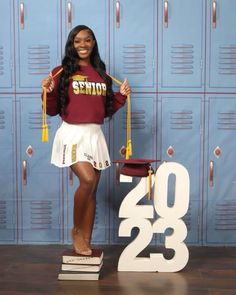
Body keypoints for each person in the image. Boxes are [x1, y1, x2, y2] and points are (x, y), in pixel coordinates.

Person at [41, 25, 131, 256]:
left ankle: (86, 238)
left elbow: (104, 109)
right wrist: (48, 91)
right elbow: (52, 110)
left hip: (94, 135)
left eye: (87, 40)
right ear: (72, 44)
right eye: (77, 41)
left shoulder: (101, 73)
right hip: (72, 134)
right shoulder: (61, 72)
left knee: (91, 190)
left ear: (93, 43)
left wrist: (121, 95)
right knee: (88, 180)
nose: (83, 45)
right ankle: (76, 230)